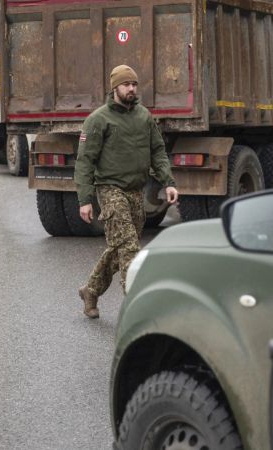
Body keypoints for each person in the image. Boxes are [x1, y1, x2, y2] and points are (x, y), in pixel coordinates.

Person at [75, 64, 179, 319]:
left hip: (135, 191)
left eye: (134, 84)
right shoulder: (99, 120)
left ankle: (90, 290)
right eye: (126, 85)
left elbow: (157, 152)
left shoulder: (144, 117)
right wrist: (85, 200)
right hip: (110, 190)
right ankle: (137, 307)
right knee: (130, 247)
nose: (131, 89)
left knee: (119, 247)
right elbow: (85, 161)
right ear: (115, 88)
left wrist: (168, 181)